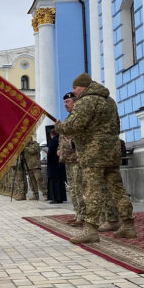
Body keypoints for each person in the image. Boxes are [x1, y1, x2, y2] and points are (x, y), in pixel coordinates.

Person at [55, 73, 136, 244]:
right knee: (118, 189)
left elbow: (74, 126)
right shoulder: (109, 101)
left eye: (75, 88)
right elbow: (117, 125)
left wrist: (59, 127)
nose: (74, 92)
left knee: (92, 190)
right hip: (112, 151)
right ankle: (128, 225)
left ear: (83, 87)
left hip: (93, 153)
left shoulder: (86, 101)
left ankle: (90, 229)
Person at [59, 92, 84, 226]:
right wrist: (60, 149)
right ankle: (78, 213)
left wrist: (80, 154)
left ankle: (83, 216)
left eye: (68, 102)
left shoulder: (79, 118)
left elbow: (81, 138)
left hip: (76, 158)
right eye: (64, 103)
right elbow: (63, 137)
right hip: (68, 158)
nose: (65, 105)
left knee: (79, 187)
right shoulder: (68, 119)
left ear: (75, 102)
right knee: (73, 188)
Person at [47, 129, 67, 204]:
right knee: (60, 182)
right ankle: (61, 197)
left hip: (53, 165)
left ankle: (56, 198)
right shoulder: (61, 140)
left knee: (55, 182)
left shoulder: (53, 141)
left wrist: (48, 160)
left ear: (52, 134)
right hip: (60, 164)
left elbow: (50, 153)